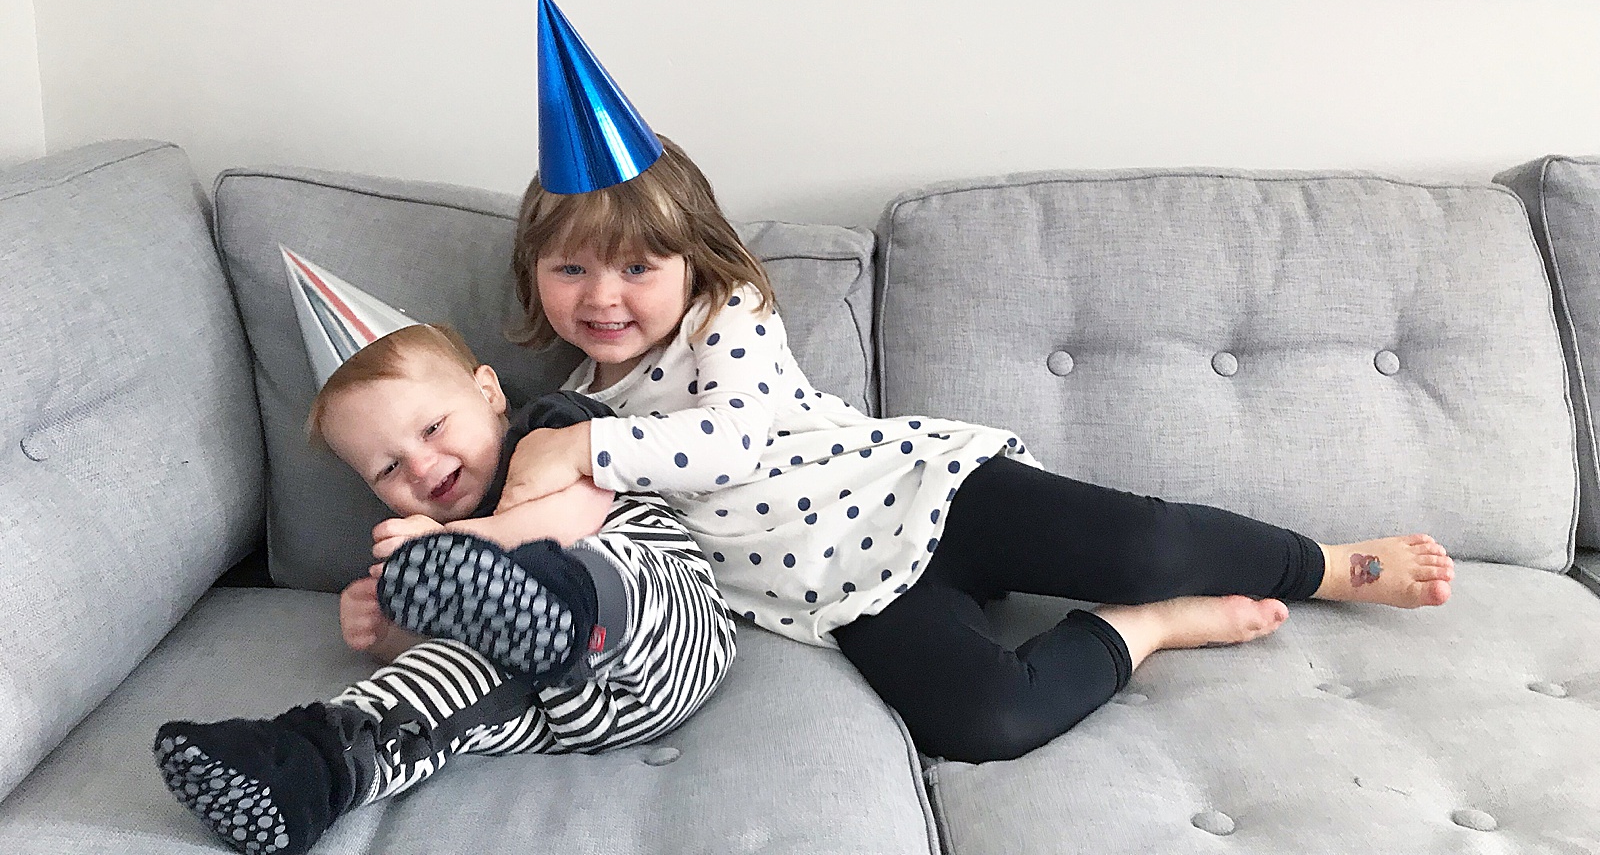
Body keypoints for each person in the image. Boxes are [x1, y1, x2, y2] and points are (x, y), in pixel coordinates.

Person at [495, 133, 1456, 764]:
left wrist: (587, 449)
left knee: (1142, 546)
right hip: (847, 594)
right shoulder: (568, 414)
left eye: (635, 266)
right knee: (983, 723)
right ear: (533, 275)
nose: (602, 296)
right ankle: (1147, 629)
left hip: (925, 490)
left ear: (693, 262)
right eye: (569, 267)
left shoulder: (722, 319)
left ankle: (1324, 563)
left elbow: (734, 441)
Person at [151, 256, 737, 855]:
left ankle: (557, 617)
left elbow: (577, 515)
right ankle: (311, 768)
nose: (423, 466)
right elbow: (443, 637)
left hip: (663, 633)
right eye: (387, 467)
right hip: (566, 706)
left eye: (432, 428)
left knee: (593, 566)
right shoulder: (426, 539)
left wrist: (461, 551)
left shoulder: (547, 431)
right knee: (443, 684)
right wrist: (388, 633)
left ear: (488, 391)